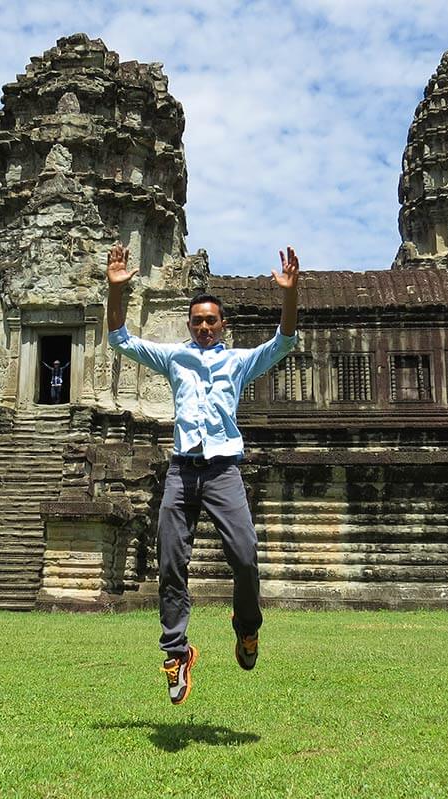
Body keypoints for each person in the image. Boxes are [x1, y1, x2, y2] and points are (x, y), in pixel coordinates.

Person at [106, 242, 300, 705]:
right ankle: (176, 653)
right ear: (189, 325)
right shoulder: (176, 358)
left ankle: (247, 629)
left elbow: (284, 341)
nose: (205, 326)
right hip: (181, 472)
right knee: (171, 563)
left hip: (223, 472)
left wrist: (290, 294)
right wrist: (116, 291)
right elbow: (120, 339)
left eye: (212, 320)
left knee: (246, 555)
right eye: (198, 321)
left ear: (223, 325)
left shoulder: (238, 362)